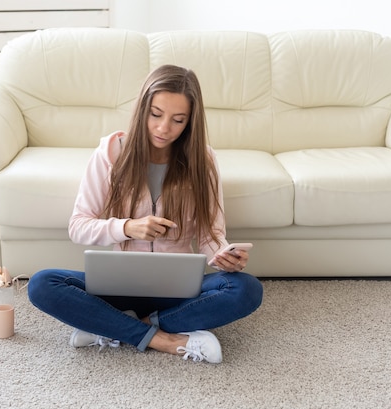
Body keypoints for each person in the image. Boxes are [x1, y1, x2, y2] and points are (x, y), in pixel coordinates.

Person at [28, 65, 263, 364]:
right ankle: (166, 339)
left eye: (178, 120)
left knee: (246, 289)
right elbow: (79, 226)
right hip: (119, 286)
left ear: (190, 122)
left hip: (178, 290)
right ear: (142, 109)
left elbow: (210, 235)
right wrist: (128, 228)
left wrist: (223, 255)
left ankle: (113, 327)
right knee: (42, 284)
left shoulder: (202, 159)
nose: (164, 128)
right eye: (156, 114)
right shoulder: (111, 152)